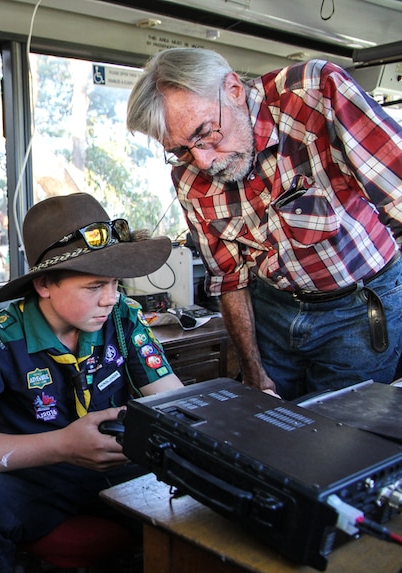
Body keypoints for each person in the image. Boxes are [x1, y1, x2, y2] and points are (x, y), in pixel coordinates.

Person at [126, 47, 402, 400]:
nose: (204, 161)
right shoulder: (188, 174)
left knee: (342, 437)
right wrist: (254, 372)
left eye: (206, 133)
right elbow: (229, 279)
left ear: (234, 90)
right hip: (271, 308)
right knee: (268, 426)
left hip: (358, 306)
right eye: (180, 149)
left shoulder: (316, 93)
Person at [0, 192, 184, 573]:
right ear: (45, 284)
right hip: (38, 478)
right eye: (94, 286)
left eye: (116, 284)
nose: (110, 299)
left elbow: (174, 402)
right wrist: (64, 445)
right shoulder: (1, 337)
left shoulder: (123, 319)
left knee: (200, 494)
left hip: (120, 469)